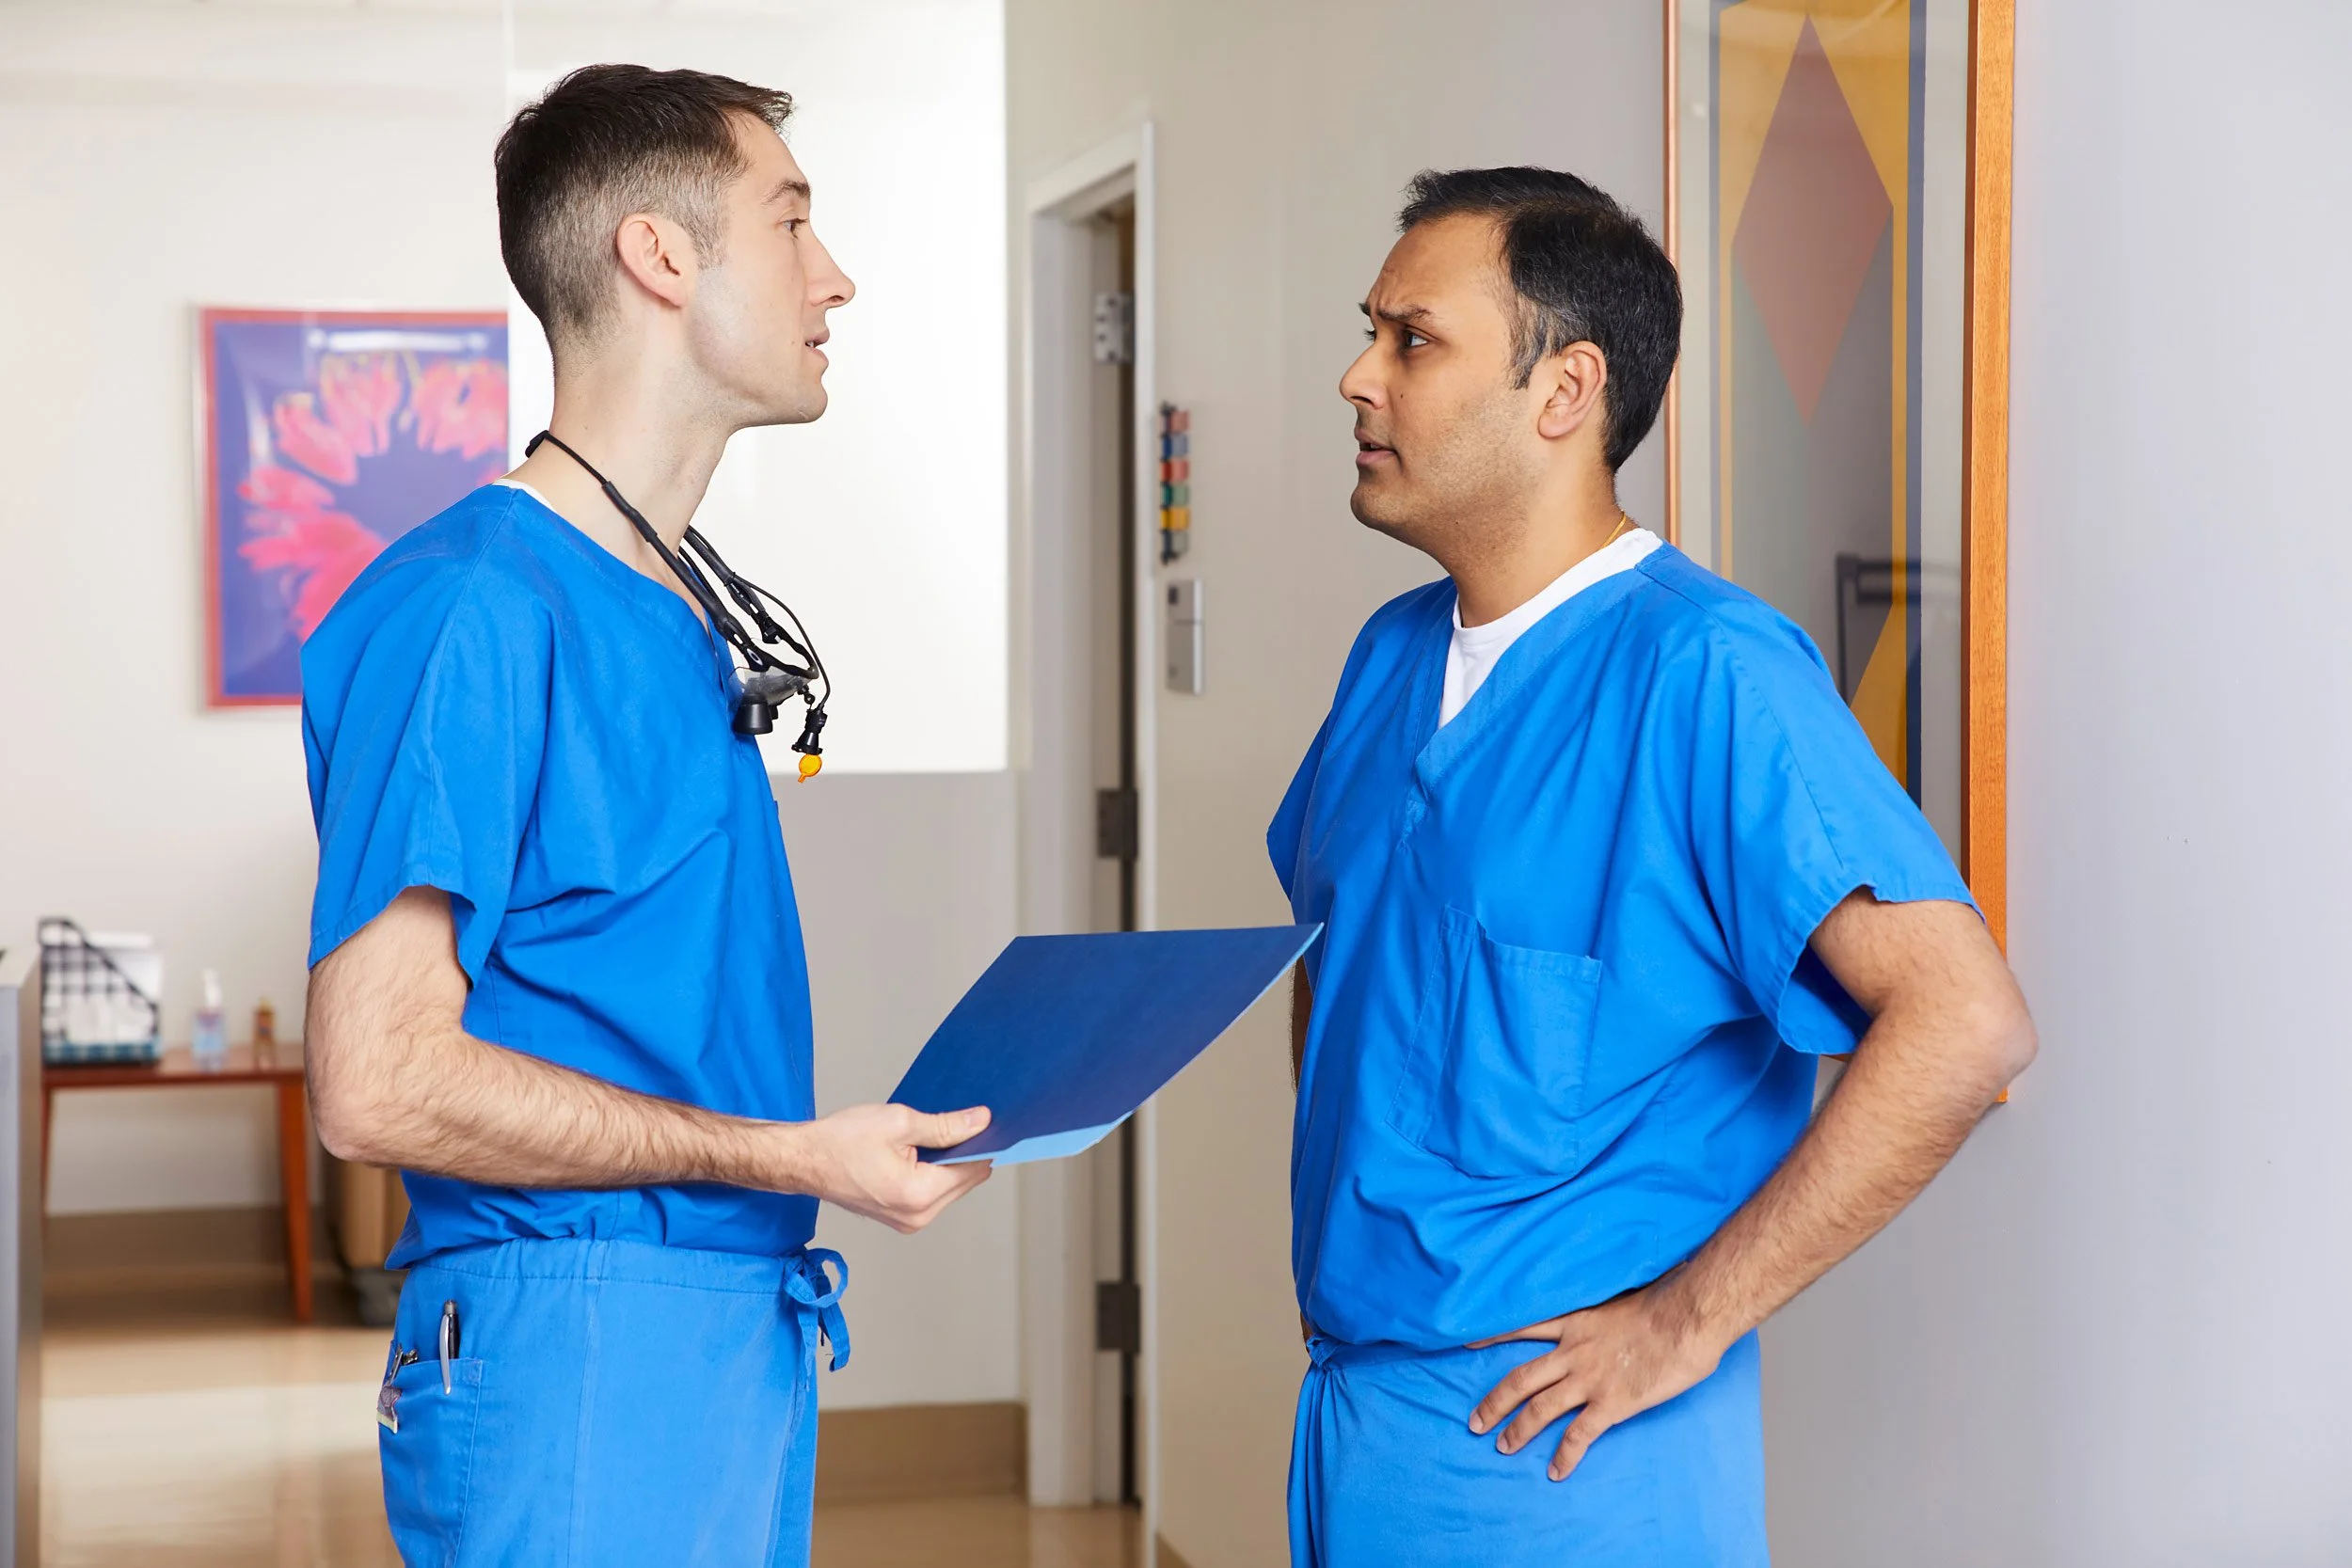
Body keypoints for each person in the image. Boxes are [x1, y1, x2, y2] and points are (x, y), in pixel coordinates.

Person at [1269, 166, 2038, 1565]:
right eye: (1370, 331)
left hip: (1565, 1451)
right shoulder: (1388, 658)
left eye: (1411, 339)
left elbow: (1966, 1022)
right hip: (1353, 1417)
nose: (1356, 377)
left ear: (1565, 391)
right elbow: (1339, 967)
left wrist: (1687, 1318)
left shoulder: (1712, 675)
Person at [299, 65, 993, 1566]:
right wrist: (791, 1155)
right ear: (660, 256)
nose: (837, 277)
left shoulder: (670, 614)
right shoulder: (473, 605)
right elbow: (376, 1078)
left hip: (718, 1332)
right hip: (577, 1337)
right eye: (792, 220)